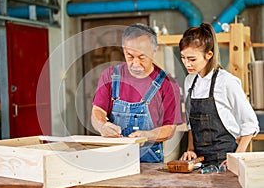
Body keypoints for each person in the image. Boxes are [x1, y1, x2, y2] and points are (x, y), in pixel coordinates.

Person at [91, 23, 183, 163]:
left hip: (150, 162)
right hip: (114, 160)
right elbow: (97, 112)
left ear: (154, 51)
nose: (135, 63)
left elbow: (169, 129)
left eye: (141, 57)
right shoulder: (109, 75)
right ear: (124, 50)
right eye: (129, 56)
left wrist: (146, 135)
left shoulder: (168, 84)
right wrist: (102, 126)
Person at [179, 22, 260, 169]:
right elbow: (191, 123)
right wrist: (190, 149)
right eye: (183, 58)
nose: (187, 64)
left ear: (209, 55)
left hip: (225, 160)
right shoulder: (189, 81)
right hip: (199, 161)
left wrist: (235, 159)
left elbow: (251, 124)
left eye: (192, 59)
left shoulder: (226, 82)